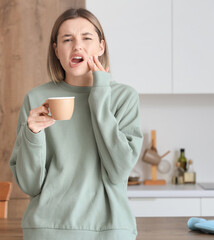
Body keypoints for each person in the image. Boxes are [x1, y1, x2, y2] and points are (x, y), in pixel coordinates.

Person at [9, 8, 143, 240]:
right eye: (67, 39)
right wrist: (32, 133)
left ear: (101, 47)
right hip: (47, 230)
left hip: (109, 231)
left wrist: (100, 93)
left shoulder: (124, 97)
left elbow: (118, 170)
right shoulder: (36, 99)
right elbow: (30, 185)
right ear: (57, 50)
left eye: (86, 38)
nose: (77, 46)